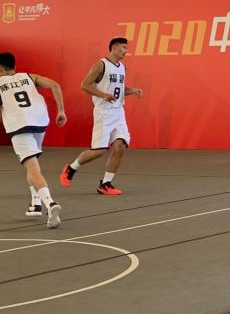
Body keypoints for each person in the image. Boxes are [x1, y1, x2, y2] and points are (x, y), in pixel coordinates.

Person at [60, 37, 142, 195]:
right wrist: (103, 95)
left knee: (120, 146)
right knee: (98, 151)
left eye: (126, 48)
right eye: (123, 47)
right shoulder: (101, 65)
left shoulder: (122, 67)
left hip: (118, 112)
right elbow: (85, 84)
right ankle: (71, 168)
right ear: (115, 47)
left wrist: (133, 90)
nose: (126, 51)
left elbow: (119, 89)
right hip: (104, 112)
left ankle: (105, 184)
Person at [0, 52, 66, 228]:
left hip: (19, 127)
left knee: (32, 167)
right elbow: (55, 85)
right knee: (32, 164)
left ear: (0, 70)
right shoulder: (30, 77)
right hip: (39, 123)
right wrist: (61, 111)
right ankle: (35, 203)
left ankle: (50, 204)